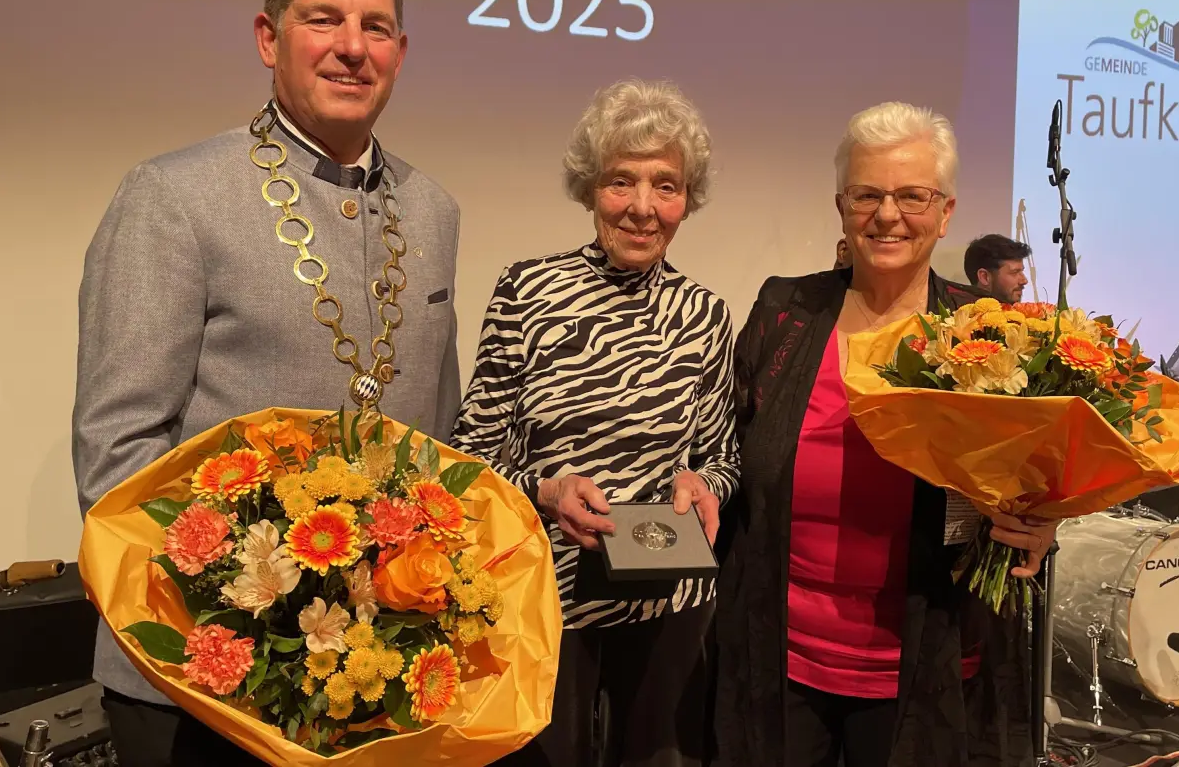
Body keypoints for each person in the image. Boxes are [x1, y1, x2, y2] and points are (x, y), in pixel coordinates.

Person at [72, 0, 461, 767]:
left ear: (402, 49)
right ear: (267, 37)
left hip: (373, 682)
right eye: (324, 20)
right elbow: (117, 456)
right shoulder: (173, 197)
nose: (352, 48)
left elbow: (438, 434)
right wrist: (242, 622)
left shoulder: (433, 210)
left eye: (376, 27)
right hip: (201, 686)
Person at [713, 103, 1057, 767]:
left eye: (912, 196)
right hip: (779, 661)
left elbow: (1028, 475)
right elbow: (731, 446)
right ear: (842, 205)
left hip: (925, 667)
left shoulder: (989, 331)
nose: (888, 214)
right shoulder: (786, 309)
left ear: (947, 211)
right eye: (867, 194)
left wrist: (1041, 523)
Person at [452, 79, 740, 767]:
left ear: (686, 200)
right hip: (543, 594)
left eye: (665, 186)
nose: (643, 208)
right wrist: (544, 491)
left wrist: (704, 486)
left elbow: (723, 457)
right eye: (621, 182)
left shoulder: (704, 313)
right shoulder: (527, 290)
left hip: (668, 597)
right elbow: (468, 457)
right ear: (590, 189)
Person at [963, 233, 1031, 304]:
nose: (1024, 281)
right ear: (984, 277)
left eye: (1021, 271)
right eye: (1014, 272)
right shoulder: (961, 314)